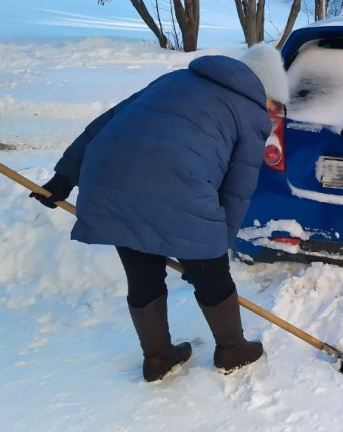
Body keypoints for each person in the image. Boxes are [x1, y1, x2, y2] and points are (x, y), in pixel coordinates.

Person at [30, 43, 289, 382]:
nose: (271, 112)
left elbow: (106, 122)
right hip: (175, 182)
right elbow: (237, 191)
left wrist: (64, 178)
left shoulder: (175, 79)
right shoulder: (250, 113)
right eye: (274, 105)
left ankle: (158, 358)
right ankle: (232, 350)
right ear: (263, 90)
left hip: (112, 178)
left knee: (141, 270)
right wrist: (208, 257)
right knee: (209, 272)